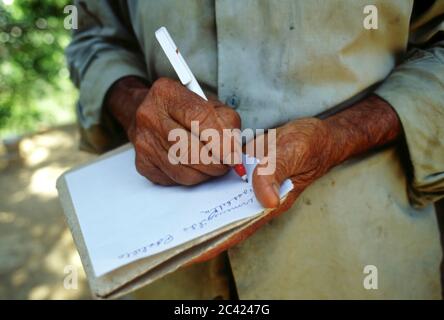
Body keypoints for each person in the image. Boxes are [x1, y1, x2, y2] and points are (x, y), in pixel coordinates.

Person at [66, 0, 444, 299]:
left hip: (358, 256)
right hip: (171, 277)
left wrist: (342, 135)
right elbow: (92, 37)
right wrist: (134, 103)